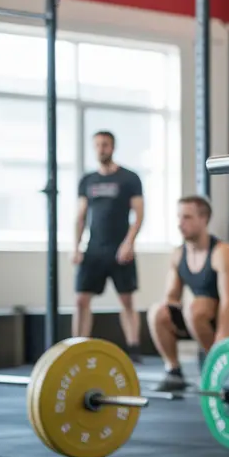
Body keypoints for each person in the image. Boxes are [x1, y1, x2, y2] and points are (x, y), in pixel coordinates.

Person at [147, 196, 229, 392]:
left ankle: (215, 366)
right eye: (178, 217)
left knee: (196, 307)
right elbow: (171, 298)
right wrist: (172, 315)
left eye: (186, 217)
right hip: (196, 317)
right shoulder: (179, 254)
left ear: (204, 219)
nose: (180, 223)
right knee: (157, 312)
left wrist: (220, 348)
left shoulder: (222, 252)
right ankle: (173, 371)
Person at [73, 130, 144, 362]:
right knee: (80, 300)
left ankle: (133, 347)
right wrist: (76, 247)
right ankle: (78, 346)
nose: (101, 149)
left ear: (113, 147)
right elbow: (80, 216)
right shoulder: (87, 180)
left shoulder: (129, 179)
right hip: (93, 249)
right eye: (97, 145)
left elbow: (139, 214)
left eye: (105, 144)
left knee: (127, 301)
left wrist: (128, 243)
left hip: (120, 249)